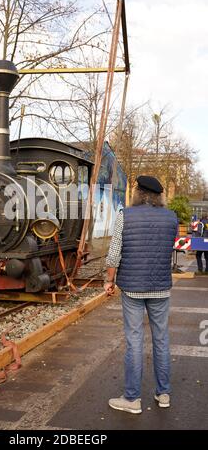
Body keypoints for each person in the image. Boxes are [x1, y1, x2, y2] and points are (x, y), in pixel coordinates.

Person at [104, 175, 178, 414]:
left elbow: (114, 253)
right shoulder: (171, 217)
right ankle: (163, 393)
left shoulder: (125, 215)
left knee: (135, 342)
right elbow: (168, 247)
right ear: (158, 195)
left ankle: (132, 399)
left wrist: (109, 280)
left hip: (132, 289)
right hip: (161, 288)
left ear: (139, 193)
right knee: (162, 340)